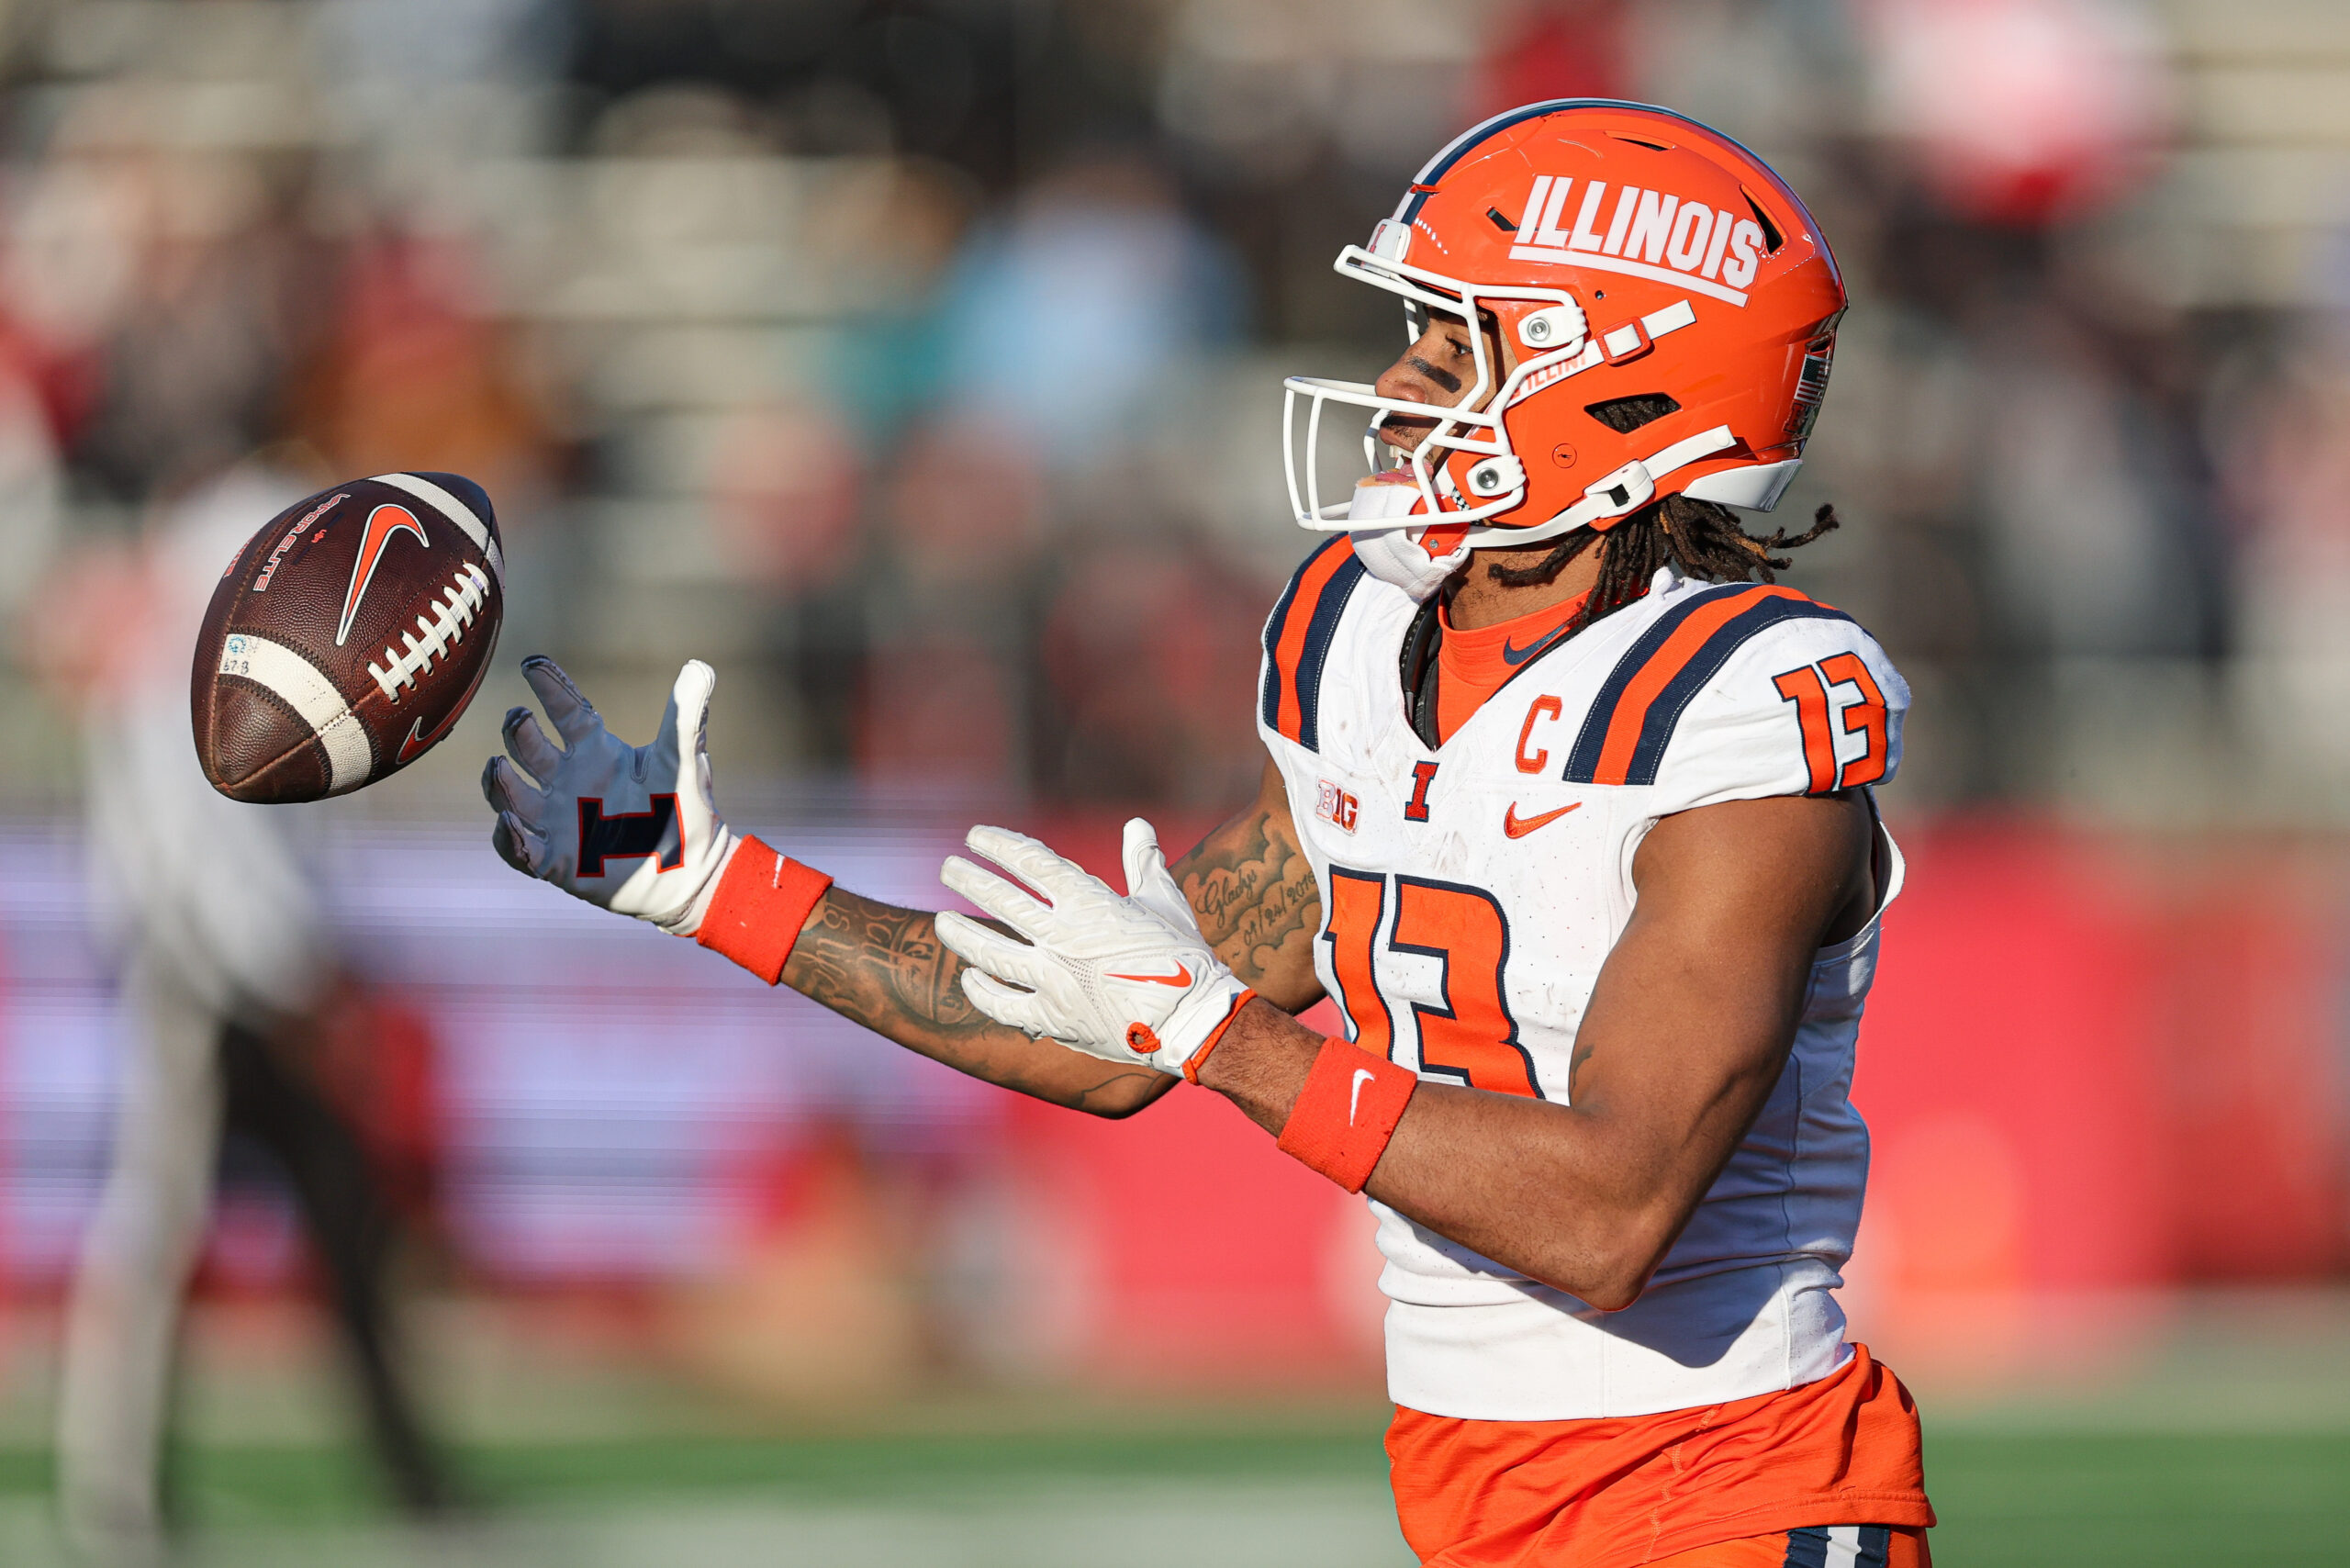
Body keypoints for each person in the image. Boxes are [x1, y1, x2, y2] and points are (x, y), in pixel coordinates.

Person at [483, 100, 1932, 1567]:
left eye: (1459, 344)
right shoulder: (1362, 635)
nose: (1396, 381)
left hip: (1736, 1496)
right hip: (1479, 1499)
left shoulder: (1745, 713)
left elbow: (1608, 1218)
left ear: (1621, 385)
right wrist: (703, 881)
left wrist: (1221, 1037)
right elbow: (1095, 1032)